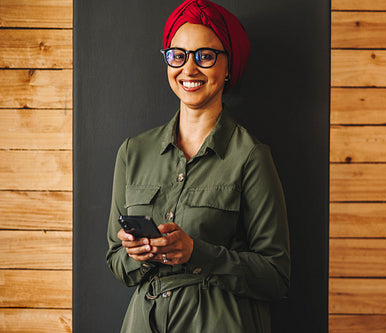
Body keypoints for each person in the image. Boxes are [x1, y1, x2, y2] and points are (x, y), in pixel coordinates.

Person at [106, 0, 290, 332]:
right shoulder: (133, 152)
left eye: (204, 56)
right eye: (178, 55)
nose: (188, 69)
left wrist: (197, 253)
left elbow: (275, 276)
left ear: (228, 66)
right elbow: (117, 264)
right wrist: (138, 252)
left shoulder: (250, 156)